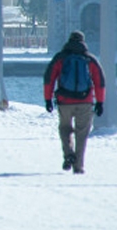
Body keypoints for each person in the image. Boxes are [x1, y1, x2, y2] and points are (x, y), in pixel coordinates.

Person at [43, 30, 105, 174]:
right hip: (85, 101)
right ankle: (78, 166)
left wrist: (47, 99)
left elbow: (49, 79)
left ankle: (68, 154)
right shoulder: (90, 59)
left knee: (64, 128)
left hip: (65, 101)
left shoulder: (60, 58)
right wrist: (100, 102)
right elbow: (99, 82)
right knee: (82, 134)